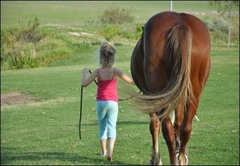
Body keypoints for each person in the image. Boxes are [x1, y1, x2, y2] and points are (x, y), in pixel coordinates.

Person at [81, 41, 134, 161]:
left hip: (100, 103)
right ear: (112, 57)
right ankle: (110, 150)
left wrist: (84, 73)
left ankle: (103, 151)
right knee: (112, 126)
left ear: (101, 57)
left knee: (102, 126)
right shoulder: (116, 71)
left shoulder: (97, 71)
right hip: (113, 103)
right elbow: (131, 81)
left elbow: (84, 84)